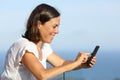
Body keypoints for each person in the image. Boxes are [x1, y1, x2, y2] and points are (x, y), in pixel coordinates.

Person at [1, 3, 96, 80]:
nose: (57, 31)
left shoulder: (43, 47)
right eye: (54, 26)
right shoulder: (24, 46)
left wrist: (81, 64)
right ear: (39, 24)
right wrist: (76, 63)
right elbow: (42, 75)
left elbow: (61, 64)